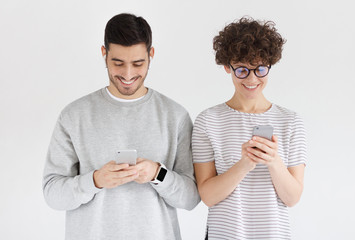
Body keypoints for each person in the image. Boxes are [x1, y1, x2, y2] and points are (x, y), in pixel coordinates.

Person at [43, 13, 200, 240]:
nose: (128, 74)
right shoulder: (74, 115)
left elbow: (192, 198)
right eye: (118, 63)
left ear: (151, 55)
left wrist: (158, 173)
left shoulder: (175, 116)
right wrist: (95, 180)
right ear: (104, 54)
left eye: (138, 63)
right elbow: (52, 194)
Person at [192, 17, 307, 239]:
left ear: (270, 65)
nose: (252, 79)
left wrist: (274, 162)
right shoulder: (208, 121)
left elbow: (292, 198)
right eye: (242, 70)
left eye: (260, 69)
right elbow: (207, 196)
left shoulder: (290, 121)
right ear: (227, 67)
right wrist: (244, 164)